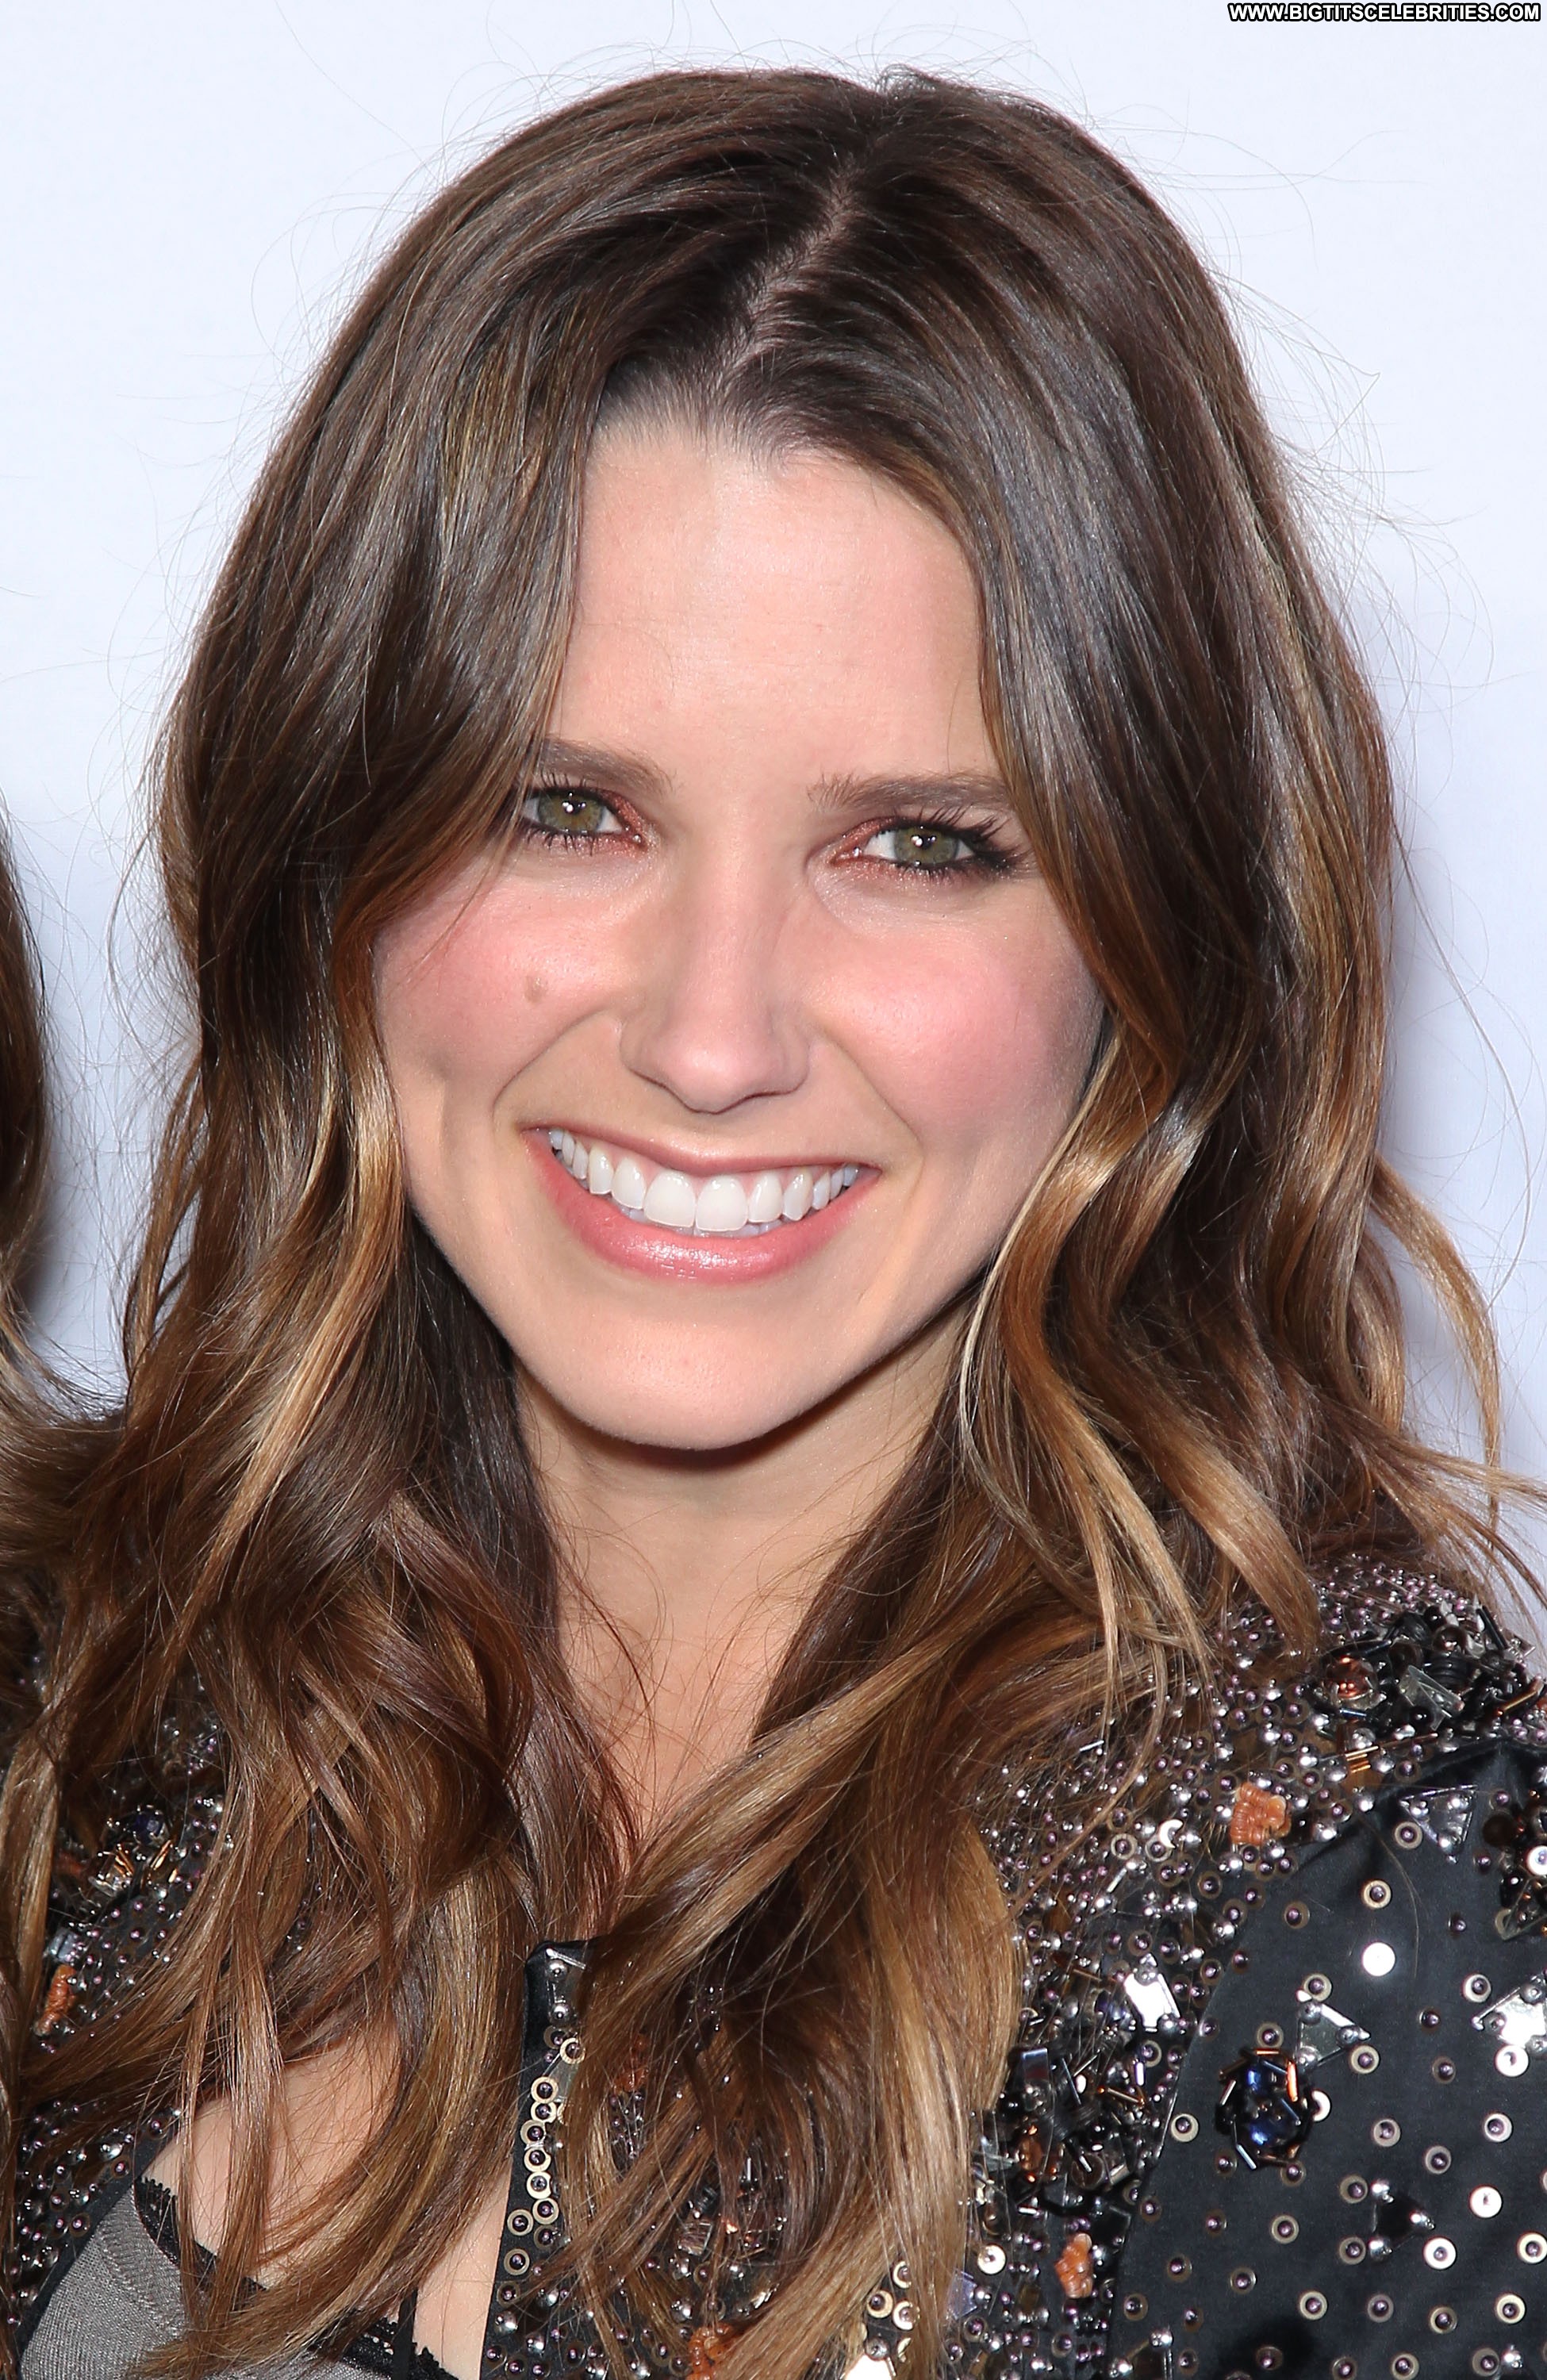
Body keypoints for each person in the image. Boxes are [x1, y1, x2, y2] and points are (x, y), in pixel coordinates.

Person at [3, 65, 1543, 2380]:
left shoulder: (1372, 1924)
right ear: (330, 856)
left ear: (1159, 945)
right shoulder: (109, 1698)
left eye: (920, 845)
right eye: (564, 809)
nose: (712, 1037)